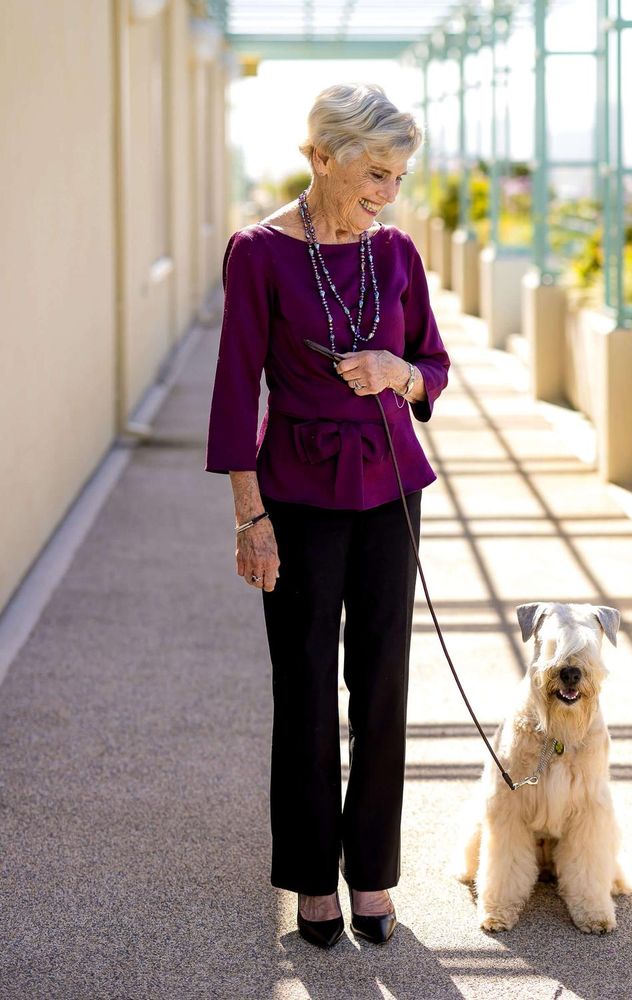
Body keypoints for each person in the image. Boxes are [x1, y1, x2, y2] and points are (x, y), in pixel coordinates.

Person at [205, 83, 450, 948]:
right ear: (319, 157)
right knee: (305, 690)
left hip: (391, 487)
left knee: (382, 686)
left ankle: (373, 877)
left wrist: (398, 370)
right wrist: (250, 517)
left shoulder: (399, 253)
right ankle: (311, 880)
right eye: (374, 173)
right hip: (299, 496)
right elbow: (236, 391)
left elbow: (434, 365)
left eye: (399, 176)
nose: (386, 193)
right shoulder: (258, 252)